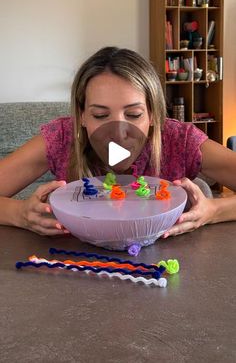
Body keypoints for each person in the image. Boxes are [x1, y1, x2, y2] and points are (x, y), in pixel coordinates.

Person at [0, 46, 236, 236]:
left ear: (153, 114)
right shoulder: (62, 138)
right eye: (100, 115)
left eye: (134, 115)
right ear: (81, 115)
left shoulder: (179, 141)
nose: (118, 133)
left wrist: (214, 209)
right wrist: (20, 213)